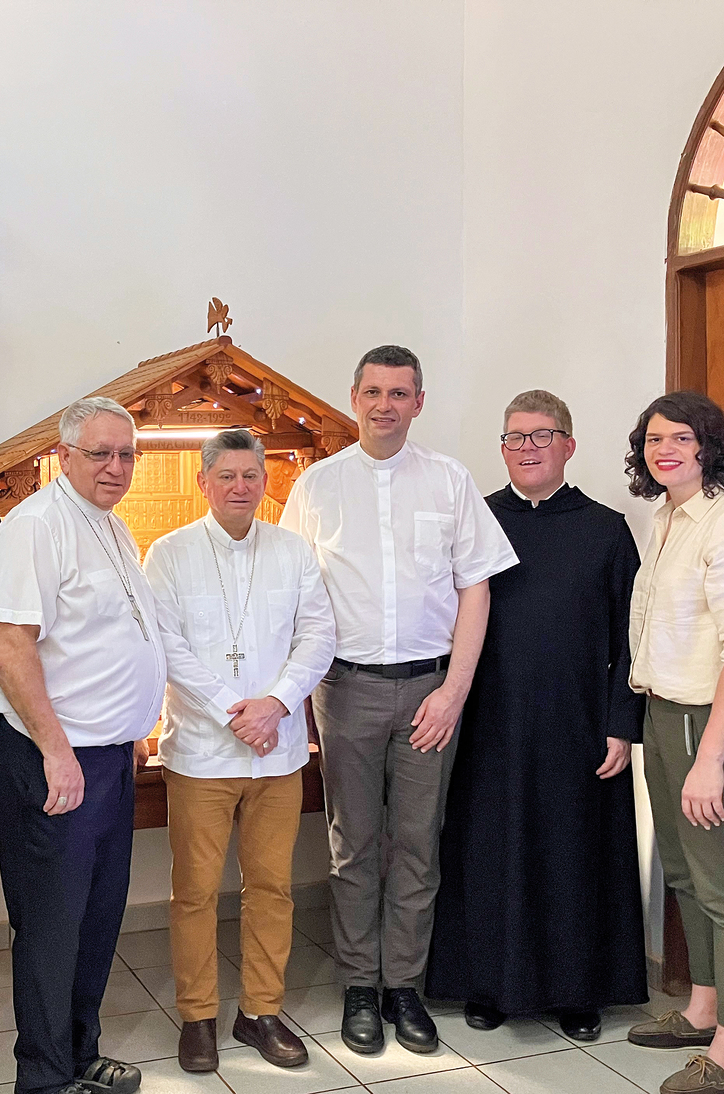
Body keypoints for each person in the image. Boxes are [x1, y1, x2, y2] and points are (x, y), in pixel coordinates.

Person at [280, 345, 517, 1055]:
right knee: (353, 844)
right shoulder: (317, 487)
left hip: (428, 691)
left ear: (420, 402)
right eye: (374, 391)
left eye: (400, 393)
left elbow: (477, 588)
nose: (385, 404)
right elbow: (294, 594)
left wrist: (453, 691)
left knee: (417, 844)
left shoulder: (449, 481)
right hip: (344, 687)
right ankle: (359, 985)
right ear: (354, 397)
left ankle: (403, 988)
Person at [425, 389, 648, 1040]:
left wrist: (621, 723)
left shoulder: (606, 529)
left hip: (578, 728)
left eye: (540, 436)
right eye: (514, 437)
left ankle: (579, 992)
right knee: (490, 854)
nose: (526, 448)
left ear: (568, 446)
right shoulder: (477, 522)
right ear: (501, 449)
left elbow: (632, 635)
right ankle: (487, 985)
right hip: (490, 725)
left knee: (574, 856)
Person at [0, 396, 166, 1094]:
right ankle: (45, 1077)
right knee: (53, 927)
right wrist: (58, 751)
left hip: (108, 757)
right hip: (53, 759)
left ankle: (82, 1052)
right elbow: (8, 642)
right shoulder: (34, 527)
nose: (116, 466)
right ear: (64, 456)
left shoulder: (111, 528)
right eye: (101, 453)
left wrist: (133, 728)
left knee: (96, 916)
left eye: (127, 454)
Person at [143, 429, 336, 1074]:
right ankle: (198, 1017)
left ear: (263, 481)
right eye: (226, 476)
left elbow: (318, 635)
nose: (239, 487)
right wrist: (235, 708)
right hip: (200, 752)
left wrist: (275, 704)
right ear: (204, 482)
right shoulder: (168, 554)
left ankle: (260, 1012)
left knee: (272, 888)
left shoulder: (293, 551)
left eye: (250, 476)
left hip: (277, 753)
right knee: (194, 893)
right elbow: (168, 648)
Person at [623, 392, 724, 1094]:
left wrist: (711, 757)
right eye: (654, 438)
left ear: (709, 445)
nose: (665, 449)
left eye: (681, 438)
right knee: (685, 874)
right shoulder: (668, 518)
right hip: (665, 714)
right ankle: (703, 1009)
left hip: (711, 723)